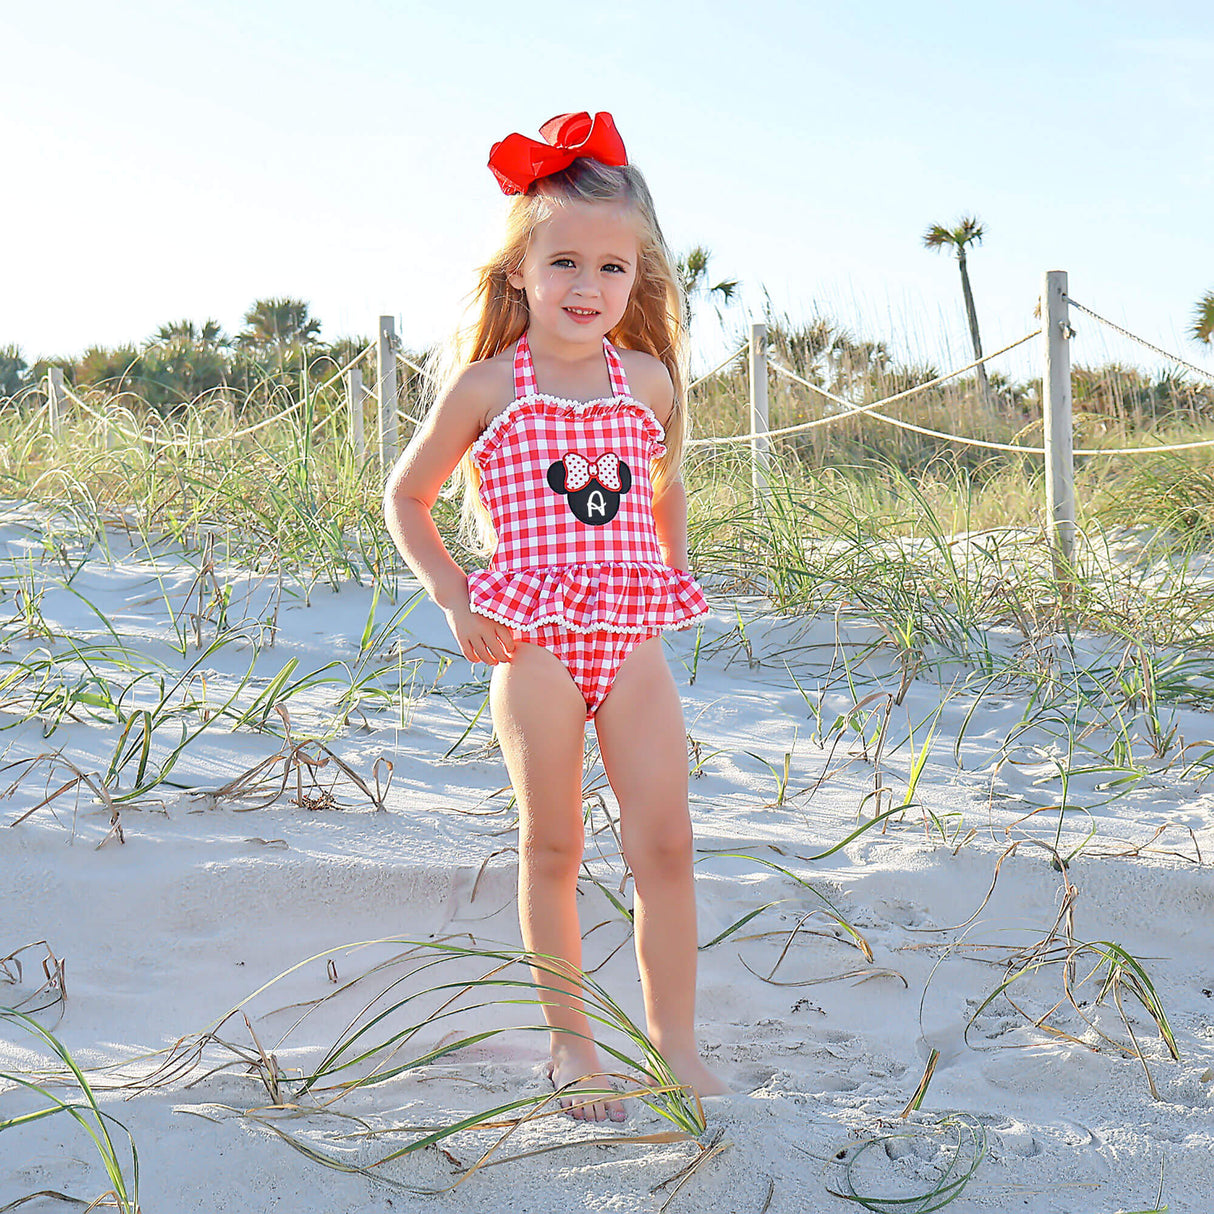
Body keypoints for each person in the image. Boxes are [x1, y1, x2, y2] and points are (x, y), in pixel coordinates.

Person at [383, 111, 729, 1123]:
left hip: (630, 642)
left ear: (639, 278)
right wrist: (454, 594)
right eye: (565, 261)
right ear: (519, 272)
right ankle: (573, 1045)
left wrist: (665, 570)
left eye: (612, 268)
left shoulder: (650, 381)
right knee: (554, 846)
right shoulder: (489, 386)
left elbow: (658, 485)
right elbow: (405, 497)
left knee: (664, 842)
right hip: (529, 639)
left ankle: (673, 1040)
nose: (588, 286)